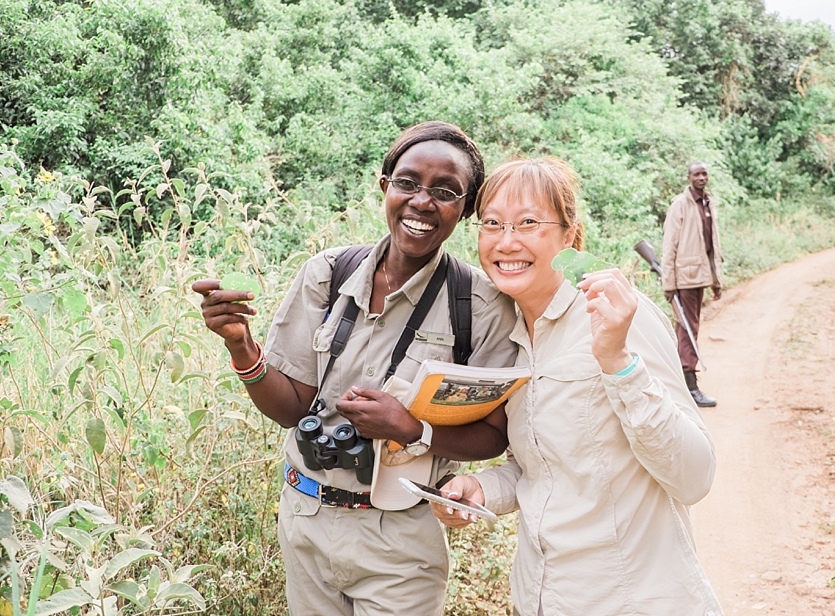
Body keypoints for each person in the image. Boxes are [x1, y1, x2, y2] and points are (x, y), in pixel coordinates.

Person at [191, 121, 517, 616]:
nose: (422, 202)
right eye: (407, 182)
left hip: (401, 540)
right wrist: (243, 349)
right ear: (385, 186)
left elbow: (494, 436)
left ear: (466, 208)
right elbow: (292, 409)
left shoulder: (479, 304)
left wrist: (411, 430)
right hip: (305, 519)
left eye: (446, 191)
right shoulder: (327, 273)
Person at [433, 157, 722, 616]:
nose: (507, 241)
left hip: (631, 599)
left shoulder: (616, 316)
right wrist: (482, 490)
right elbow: (546, 468)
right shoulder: (507, 334)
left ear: (569, 235)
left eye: (528, 222)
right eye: (492, 223)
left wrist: (619, 364)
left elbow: (695, 475)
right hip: (543, 596)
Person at [661, 161, 723, 407]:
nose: (701, 177)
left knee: (689, 327)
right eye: (697, 174)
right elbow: (670, 245)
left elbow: (712, 245)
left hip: (700, 275)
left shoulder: (708, 203)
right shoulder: (680, 205)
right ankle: (689, 385)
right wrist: (669, 282)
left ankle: (681, 383)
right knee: (688, 328)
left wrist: (716, 281)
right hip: (684, 277)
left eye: (704, 173)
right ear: (688, 177)